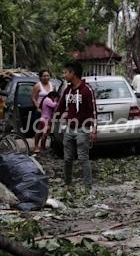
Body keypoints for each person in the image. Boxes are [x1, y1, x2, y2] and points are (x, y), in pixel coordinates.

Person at [54, 61, 97, 191]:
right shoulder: (67, 90)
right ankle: (68, 184)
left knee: (83, 158)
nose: (64, 75)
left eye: (66, 72)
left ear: (73, 73)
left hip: (83, 128)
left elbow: (93, 111)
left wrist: (93, 129)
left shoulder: (86, 90)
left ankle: (88, 187)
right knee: (67, 158)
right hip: (69, 128)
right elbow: (60, 107)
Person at [31, 70, 56, 152]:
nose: (46, 77)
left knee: (47, 130)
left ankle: (43, 147)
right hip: (40, 111)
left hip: (50, 112)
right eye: (44, 76)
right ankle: (36, 146)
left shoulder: (52, 86)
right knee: (39, 129)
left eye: (47, 76)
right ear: (40, 77)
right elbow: (33, 98)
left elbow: (55, 97)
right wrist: (38, 107)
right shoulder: (38, 86)